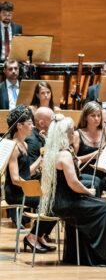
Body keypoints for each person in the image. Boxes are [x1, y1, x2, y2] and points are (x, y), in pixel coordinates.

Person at [40, 114, 106, 266]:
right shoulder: (64, 155)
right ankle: (100, 255)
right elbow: (74, 183)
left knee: (98, 205)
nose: (73, 134)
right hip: (67, 202)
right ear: (64, 134)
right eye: (71, 131)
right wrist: (89, 192)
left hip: (58, 201)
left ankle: (80, 254)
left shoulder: (51, 151)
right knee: (105, 208)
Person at [4, 105, 56, 253]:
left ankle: (39, 236)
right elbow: (15, 178)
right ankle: (33, 236)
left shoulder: (24, 144)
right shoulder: (13, 147)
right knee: (49, 203)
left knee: (53, 199)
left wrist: (41, 159)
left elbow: (27, 172)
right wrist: (33, 189)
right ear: (19, 126)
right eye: (29, 123)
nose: (32, 126)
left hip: (24, 189)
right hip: (15, 193)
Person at [25, 107, 54, 179]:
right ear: (41, 123)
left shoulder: (43, 135)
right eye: (52, 121)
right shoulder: (32, 141)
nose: (55, 124)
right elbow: (31, 172)